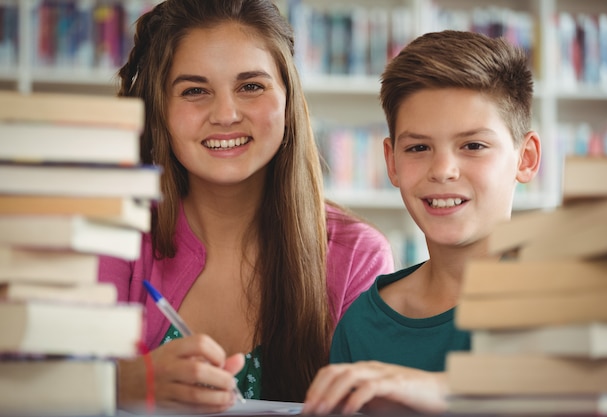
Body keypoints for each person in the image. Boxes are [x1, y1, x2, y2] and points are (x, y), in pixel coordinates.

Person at [98, 0, 394, 413]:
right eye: (194, 91)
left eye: (251, 86)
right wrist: (119, 383)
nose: (225, 114)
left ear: (288, 100)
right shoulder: (112, 238)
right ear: (160, 111)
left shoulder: (359, 256)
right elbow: (33, 387)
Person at [302, 30, 542, 415]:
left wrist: (444, 389)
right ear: (392, 162)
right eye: (418, 148)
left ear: (525, 158)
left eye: (473, 146)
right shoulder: (362, 326)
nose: (443, 170)